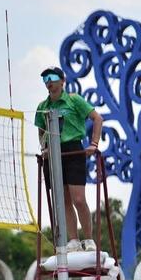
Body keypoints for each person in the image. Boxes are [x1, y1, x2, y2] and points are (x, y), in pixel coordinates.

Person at [35, 66, 103, 252]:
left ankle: (88, 239)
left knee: (78, 199)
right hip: (54, 153)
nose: (49, 82)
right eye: (45, 79)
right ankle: (73, 239)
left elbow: (97, 118)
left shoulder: (74, 100)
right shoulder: (43, 106)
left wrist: (94, 144)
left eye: (52, 78)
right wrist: (44, 148)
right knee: (62, 199)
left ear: (62, 81)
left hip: (73, 151)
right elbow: (41, 129)